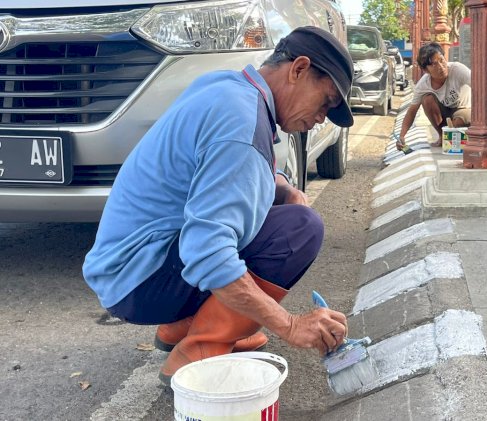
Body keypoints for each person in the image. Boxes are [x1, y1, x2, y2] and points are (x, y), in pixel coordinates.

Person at [82, 26, 354, 384]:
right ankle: (199, 349)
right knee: (300, 229)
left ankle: (182, 327)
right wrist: (290, 326)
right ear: (299, 69)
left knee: (280, 213)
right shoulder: (242, 125)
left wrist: (284, 189)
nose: (322, 117)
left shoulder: (228, 89)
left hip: (126, 268)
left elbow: (224, 172)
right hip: (140, 281)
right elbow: (207, 251)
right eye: (326, 102)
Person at [397, 42, 471, 150]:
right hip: (445, 113)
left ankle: (449, 135)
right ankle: (442, 135)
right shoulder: (423, 85)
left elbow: (479, 87)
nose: (441, 67)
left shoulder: (458, 70)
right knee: (427, 99)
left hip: (464, 109)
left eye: (442, 60)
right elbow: (412, 111)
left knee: (458, 122)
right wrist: (402, 136)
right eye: (434, 64)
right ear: (426, 70)